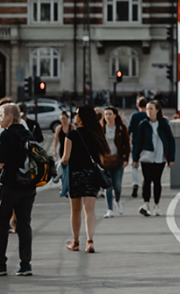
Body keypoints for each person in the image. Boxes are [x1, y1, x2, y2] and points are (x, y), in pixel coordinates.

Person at [0, 103, 35, 277]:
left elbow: (1, 162)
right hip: (28, 187)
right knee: (24, 225)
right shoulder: (28, 134)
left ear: (10, 116)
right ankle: (26, 265)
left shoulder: (5, 135)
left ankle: (0, 264)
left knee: (2, 225)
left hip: (9, 186)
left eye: (1, 114)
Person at [61, 105, 104, 252]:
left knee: (75, 209)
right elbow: (102, 158)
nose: (75, 116)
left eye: (77, 114)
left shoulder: (72, 134)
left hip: (75, 175)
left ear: (81, 117)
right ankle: (90, 241)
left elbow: (65, 159)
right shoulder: (96, 133)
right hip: (92, 175)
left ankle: (75, 242)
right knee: (90, 209)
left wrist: (60, 165)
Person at [131, 100, 176, 216]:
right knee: (146, 180)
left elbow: (171, 141)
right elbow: (138, 142)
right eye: (147, 109)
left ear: (157, 110)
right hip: (146, 156)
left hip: (160, 157)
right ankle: (146, 204)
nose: (149, 111)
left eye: (151, 109)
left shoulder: (164, 124)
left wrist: (171, 158)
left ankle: (156, 205)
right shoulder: (143, 124)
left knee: (157, 181)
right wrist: (135, 158)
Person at [99, 106, 130, 218]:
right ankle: (109, 209)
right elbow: (98, 145)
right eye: (106, 114)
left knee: (117, 185)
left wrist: (126, 159)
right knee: (108, 185)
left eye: (110, 114)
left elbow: (127, 145)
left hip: (118, 159)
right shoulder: (101, 128)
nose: (108, 116)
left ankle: (117, 201)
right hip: (106, 160)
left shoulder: (121, 128)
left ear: (115, 115)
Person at [128, 96, 149, 198]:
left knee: (135, 164)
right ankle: (146, 183)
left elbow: (130, 129)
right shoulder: (148, 116)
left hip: (136, 142)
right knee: (146, 165)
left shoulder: (134, 116)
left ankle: (135, 183)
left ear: (137, 105)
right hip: (146, 143)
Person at [52, 111, 72, 200]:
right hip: (62, 151)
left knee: (69, 170)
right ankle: (64, 187)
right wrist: (54, 151)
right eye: (61, 119)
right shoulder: (59, 128)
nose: (63, 120)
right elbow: (55, 140)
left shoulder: (72, 127)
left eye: (64, 118)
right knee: (64, 170)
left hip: (71, 151)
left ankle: (66, 187)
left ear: (67, 118)